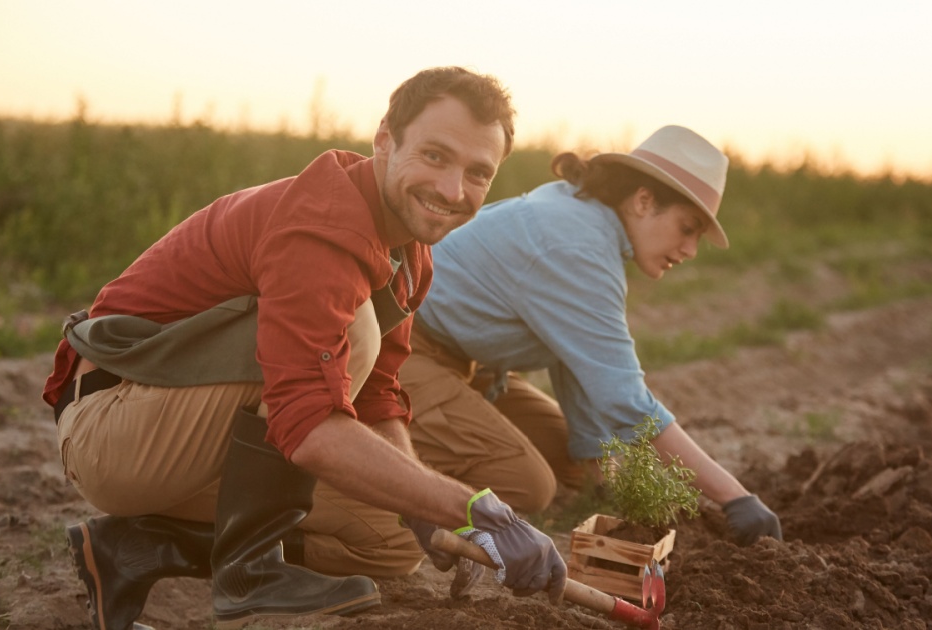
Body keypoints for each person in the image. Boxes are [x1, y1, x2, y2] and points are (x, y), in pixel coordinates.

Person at [45, 66, 566, 630]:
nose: (452, 190)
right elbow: (309, 424)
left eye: (478, 173)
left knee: (390, 544)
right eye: (435, 156)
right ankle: (250, 572)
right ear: (385, 140)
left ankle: (139, 545)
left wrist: (422, 509)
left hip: (178, 428)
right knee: (356, 330)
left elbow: (380, 398)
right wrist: (474, 510)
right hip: (112, 425)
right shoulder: (323, 228)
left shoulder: (410, 252)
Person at [399, 124, 783, 545]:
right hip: (403, 350)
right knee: (527, 485)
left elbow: (574, 359)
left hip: (468, 363)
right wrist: (735, 498)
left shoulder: (585, 219)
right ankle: (381, 476)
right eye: (687, 228)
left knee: (571, 466)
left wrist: (601, 480)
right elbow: (626, 401)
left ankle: (437, 442)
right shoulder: (576, 246)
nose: (690, 250)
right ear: (643, 200)